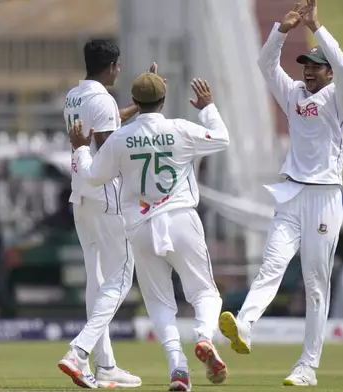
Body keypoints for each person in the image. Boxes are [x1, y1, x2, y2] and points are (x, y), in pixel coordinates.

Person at [218, 0, 343, 387]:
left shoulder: (340, 99)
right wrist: (282, 28)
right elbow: (265, 65)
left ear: (327, 72)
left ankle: (307, 367)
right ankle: (244, 325)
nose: (308, 71)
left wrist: (317, 27)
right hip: (292, 195)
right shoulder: (294, 94)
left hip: (324, 197)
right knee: (271, 264)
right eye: (305, 66)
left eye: (315, 66)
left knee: (316, 283)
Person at [63, 72, 230, 392]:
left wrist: (81, 148)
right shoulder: (180, 128)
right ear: (163, 100)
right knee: (205, 293)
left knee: (159, 303)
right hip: (181, 219)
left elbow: (94, 176)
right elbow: (221, 138)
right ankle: (205, 338)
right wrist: (208, 108)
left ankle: (178, 369)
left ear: (135, 103)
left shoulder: (121, 137)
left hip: (139, 227)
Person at [59, 38, 147, 388]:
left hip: (80, 194)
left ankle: (106, 364)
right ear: (111, 66)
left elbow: (101, 125)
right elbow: (110, 146)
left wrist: (138, 107)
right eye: (118, 65)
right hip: (105, 195)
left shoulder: (74, 96)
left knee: (97, 281)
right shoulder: (102, 100)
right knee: (122, 277)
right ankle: (79, 352)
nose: (120, 70)